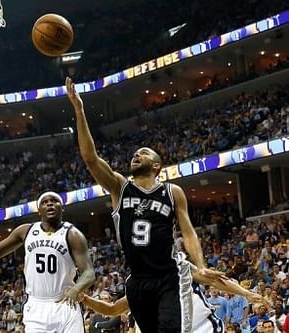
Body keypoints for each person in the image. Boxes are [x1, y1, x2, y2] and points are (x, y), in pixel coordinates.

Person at [66, 76, 221, 332]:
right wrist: (79, 110)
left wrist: (202, 265)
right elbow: (90, 158)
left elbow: (188, 232)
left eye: (144, 153)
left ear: (157, 166)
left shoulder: (173, 192)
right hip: (137, 280)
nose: (137, 155)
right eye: (135, 153)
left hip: (168, 277)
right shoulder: (120, 186)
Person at [0, 191, 95, 332]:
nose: (50, 204)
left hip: (65, 303)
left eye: (54, 201)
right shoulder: (25, 231)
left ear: (62, 207)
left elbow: (88, 272)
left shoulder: (73, 234)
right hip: (36, 306)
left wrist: (77, 289)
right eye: (45, 202)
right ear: (39, 211)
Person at [77, 260, 268, 333]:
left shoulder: (177, 265)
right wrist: (85, 299)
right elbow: (112, 310)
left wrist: (247, 294)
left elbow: (215, 281)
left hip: (201, 327)